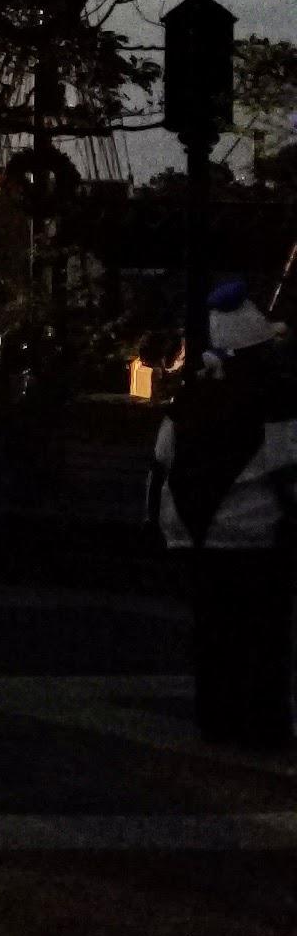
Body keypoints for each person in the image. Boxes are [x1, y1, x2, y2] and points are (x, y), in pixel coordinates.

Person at [153, 285, 297, 748]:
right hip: (256, 540)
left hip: (195, 539)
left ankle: (217, 718)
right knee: (264, 639)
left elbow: (162, 464)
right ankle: (262, 721)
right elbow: (287, 474)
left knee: (214, 637)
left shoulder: (185, 409)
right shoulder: (276, 410)